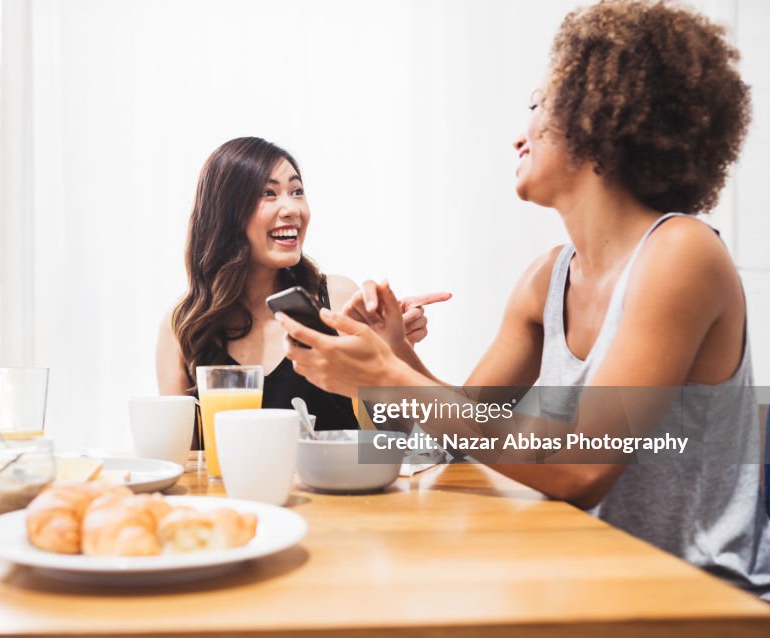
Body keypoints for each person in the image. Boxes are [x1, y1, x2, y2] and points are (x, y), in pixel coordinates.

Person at [277, 0, 769, 598]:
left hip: (698, 597)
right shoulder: (547, 278)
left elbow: (582, 467)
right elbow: (463, 427)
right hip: (591, 577)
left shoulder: (683, 255)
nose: (519, 133)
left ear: (600, 118)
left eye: (538, 106)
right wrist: (397, 357)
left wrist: (389, 378)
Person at [156, 136, 446, 439]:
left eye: (297, 192)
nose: (292, 208)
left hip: (335, 486)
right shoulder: (182, 325)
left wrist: (395, 350)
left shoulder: (336, 300)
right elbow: (180, 458)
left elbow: (397, 438)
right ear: (225, 213)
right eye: (268, 193)